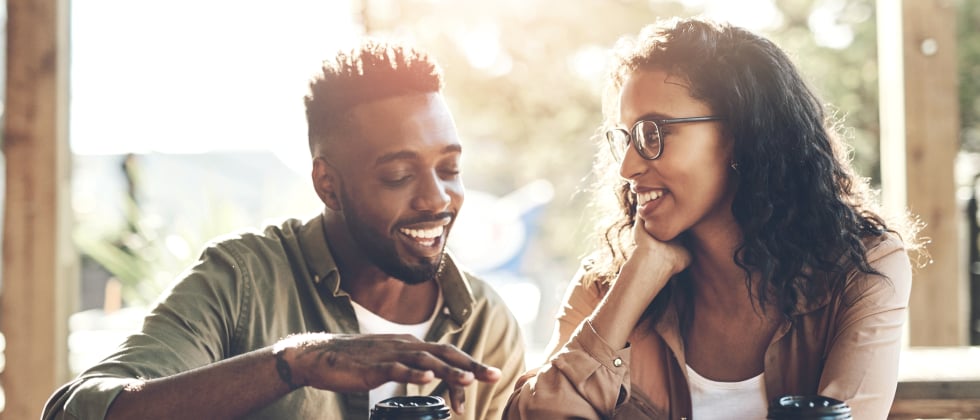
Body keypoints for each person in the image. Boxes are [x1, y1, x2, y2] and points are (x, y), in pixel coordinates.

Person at [43, 39, 526, 420]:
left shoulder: (486, 324)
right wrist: (296, 364)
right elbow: (78, 409)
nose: (437, 199)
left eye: (449, 169)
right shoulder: (240, 282)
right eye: (399, 176)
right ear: (328, 186)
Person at [505, 17, 922, 419]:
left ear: (742, 136)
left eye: (654, 133)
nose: (627, 167)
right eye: (626, 137)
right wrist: (638, 280)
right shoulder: (608, 283)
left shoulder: (862, 270)